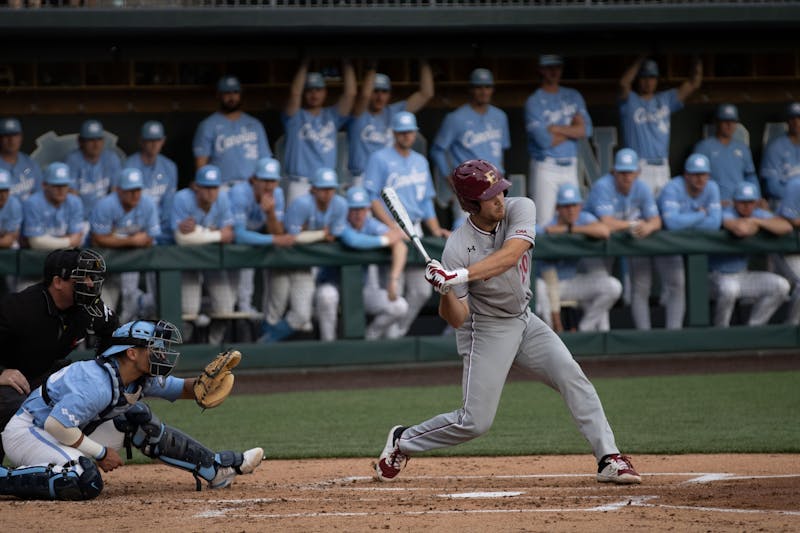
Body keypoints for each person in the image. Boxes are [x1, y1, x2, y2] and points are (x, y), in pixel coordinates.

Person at [374, 159, 641, 485]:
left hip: (524, 319)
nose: (499, 199)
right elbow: (457, 318)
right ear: (471, 204)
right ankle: (403, 440)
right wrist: (445, 291)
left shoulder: (520, 208)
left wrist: (459, 276)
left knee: (572, 376)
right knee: (475, 422)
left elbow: (512, 254)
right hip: (486, 329)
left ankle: (608, 458)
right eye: (490, 196)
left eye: (500, 190)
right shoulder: (456, 247)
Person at [0, 319, 263, 500]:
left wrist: (205, 383)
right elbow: (55, 425)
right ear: (131, 353)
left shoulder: (138, 377)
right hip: (30, 432)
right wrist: (101, 453)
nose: (161, 353)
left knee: (138, 418)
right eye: (153, 347)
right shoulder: (96, 382)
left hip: (68, 429)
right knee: (82, 479)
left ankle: (216, 470)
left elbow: (183, 388)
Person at [0, 247, 118, 463]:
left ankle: (63, 459)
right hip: (12, 381)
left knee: (113, 403)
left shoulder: (89, 309)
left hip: (46, 376)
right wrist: (1, 373)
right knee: (14, 403)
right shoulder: (19, 308)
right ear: (58, 282)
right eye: (82, 278)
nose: (90, 284)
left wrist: (103, 375)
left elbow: (112, 333)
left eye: (91, 277)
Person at [364, 111, 449, 338]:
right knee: (395, 291)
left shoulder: (420, 161)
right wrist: (391, 225)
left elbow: (426, 201)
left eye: (409, 132)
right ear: (394, 133)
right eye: (402, 132)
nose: (406, 136)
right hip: (390, 228)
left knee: (422, 290)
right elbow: (371, 197)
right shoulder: (379, 158)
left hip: (416, 226)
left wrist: (435, 229)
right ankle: (375, 337)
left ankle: (397, 334)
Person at [260, 167, 348, 343]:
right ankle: (262, 349)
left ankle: (263, 343)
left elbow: (334, 237)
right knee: (274, 312)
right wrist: (320, 234)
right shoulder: (302, 204)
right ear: (313, 189)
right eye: (322, 188)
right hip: (282, 261)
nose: (327, 193)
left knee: (302, 316)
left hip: (303, 265)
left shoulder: (340, 204)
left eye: (330, 189)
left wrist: (308, 234)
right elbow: (290, 239)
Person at [316, 185, 408, 341]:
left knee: (399, 306)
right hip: (331, 285)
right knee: (327, 296)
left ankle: (370, 338)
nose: (358, 214)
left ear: (367, 209)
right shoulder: (338, 221)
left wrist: (393, 279)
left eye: (362, 209)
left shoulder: (370, 224)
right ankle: (328, 344)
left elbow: (401, 246)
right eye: (354, 209)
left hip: (360, 289)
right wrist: (385, 240)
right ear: (346, 210)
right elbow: (352, 241)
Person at [584, 148, 662, 330]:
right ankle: (597, 333)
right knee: (602, 287)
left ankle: (644, 333)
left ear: (637, 172)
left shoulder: (642, 187)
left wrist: (649, 226)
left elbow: (656, 220)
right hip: (595, 243)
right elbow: (607, 222)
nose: (626, 176)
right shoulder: (603, 186)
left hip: (625, 240)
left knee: (641, 286)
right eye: (622, 172)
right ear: (614, 172)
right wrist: (634, 225)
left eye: (630, 172)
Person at [431, 68, 511, 228]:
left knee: (498, 231)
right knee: (467, 230)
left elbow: (502, 151)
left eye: (487, 87)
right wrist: (451, 179)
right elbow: (437, 150)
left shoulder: (500, 116)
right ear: (470, 89)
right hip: (471, 185)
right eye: (478, 87)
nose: (484, 91)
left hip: (495, 184)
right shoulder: (455, 118)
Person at [537, 183, 621, 332]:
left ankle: (585, 329)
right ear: (557, 208)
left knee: (613, 286)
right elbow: (549, 276)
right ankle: (551, 335)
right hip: (549, 285)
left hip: (573, 282)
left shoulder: (583, 218)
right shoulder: (548, 227)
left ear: (580, 206)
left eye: (574, 205)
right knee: (539, 288)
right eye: (566, 206)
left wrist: (569, 229)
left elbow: (604, 231)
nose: (571, 210)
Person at [709, 182, 792, 327]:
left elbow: (786, 226)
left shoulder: (757, 214)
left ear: (756, 203)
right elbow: (741, 230)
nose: (746, 206)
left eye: (750, 202)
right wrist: (759, 224)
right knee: (730, 289)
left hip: (742, 275)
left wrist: (755, 221)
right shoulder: (726, 212)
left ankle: (754, 327)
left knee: (781, 285)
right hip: (716, 276)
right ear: (734, 202)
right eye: (742, 202)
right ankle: (720, 330)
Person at [618, 56, 702, 197]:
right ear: (638, 79)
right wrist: (640, 59)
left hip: (662, 166)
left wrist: (696, 57)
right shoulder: (630, 101)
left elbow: (694, 83)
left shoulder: (665, 99)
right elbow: (623, 83)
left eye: (652, 77)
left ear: (657, 80)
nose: (648, 82)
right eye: (644, 77)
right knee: (640, 208)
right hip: (639, 166)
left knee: (665, 206)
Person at [657, 153, 722, 329]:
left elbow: (715, 224)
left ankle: (675, 332)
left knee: (681, 286)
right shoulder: (672, 187)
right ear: (686, 175)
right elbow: (671, 224)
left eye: (703, 174)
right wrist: (700, 214)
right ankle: (665, 333)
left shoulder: (712, 187)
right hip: (665, 243)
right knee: (668, 285)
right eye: (695, 174)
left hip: (693, 245)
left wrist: (685, 220)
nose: (700, 179)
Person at [525, 54, 593, 225]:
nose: (554, 72)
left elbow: (586, 130)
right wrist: (572, 129)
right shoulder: (534, 101)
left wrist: (555, 129)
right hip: (546, 166)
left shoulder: (573, 96)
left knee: (573, 219)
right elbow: (543, 141)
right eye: (549, 68)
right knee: (544, 221)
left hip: (570, 165)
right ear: (541, 70)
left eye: (557, 67)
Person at [172, 165, 235, 345]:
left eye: (214, 187)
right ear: (195, 187)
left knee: (226, 307)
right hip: (185, 261)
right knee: (189, 310)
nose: (211, 192)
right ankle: (185, 346)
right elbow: (181, 238)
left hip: (212, 261)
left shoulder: (222, 198)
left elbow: (229, 234)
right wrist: (215, 234)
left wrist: (198, 232)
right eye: (206, 187)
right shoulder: (182, 198)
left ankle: (212, 344)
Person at [89, 167, 160, 323]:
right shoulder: (106, 205)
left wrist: (115, 237)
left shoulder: (148, 204)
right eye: (130, 190)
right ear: (119, 190)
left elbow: (150, 238)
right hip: (108, 265)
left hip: (138, 261)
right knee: (104, 314)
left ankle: (140, 308)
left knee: (150, 301)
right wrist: (131, 240)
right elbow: (98, 239)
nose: (135, 195)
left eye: (137, 190)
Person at [347, 60, 434, 186]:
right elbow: (364, 95)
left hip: (390, 177)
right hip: (362, 178)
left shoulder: (394, 113)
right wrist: (371, 66)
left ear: (389, 94)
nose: (380, 96)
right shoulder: (358, 114)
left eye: (384, 91)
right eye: (376, 91)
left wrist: (423, 60)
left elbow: (426, 94)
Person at [283, 59, 356, 203]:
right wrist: (305, 62)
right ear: (304, 92)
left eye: (318, 89)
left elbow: (350, 94)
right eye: (309, 89)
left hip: (326, 185)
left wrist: (346, 61)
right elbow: (295, 93)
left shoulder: (332, 115)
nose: (314, 94)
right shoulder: (294, 116)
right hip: (300, 184)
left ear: (325, 92)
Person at [229, 156, 295, 316]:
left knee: (272, 255)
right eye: (265, 180)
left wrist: (270, 213)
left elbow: (277, 232)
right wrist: (273, 240)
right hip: (227, 244)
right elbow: (238, 235)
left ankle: (267, 318)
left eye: (273, 181)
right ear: (254, 180)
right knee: (226, 301)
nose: (269, 186)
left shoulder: (277, 193)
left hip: (256, 238)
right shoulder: (239, 193)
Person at [193, 76, 271, 189]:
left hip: (250, 186)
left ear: (240, 94)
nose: (232, 97)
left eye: (235, 92)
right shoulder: (207, 126)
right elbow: (201, 164)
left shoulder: (255, 125)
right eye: (227, 93)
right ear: (218, 95)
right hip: (220, 187)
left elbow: (265, 161)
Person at [694, 104, 760, 206]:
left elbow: (750, 176)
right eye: (725, 121)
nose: (729, 125)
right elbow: (695, 180)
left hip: (741, 203)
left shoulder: (743, 148)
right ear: (716, 122)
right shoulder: (703, 147)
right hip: (715, 203)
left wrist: (757, 198)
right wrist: (709, 201)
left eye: (733, 121)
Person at [125, 120, 178, 245]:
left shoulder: (170, 167)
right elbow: (126, 204)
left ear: (163, 141)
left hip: (162, 227)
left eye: (157, 140)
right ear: (141, 141)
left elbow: (168, 205)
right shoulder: (129, 165)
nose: (154, 144)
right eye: (150, 140)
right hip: (136, 227)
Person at [22, 162, 85, 251]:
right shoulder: (33, 203)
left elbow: (77, 239)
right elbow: (35, 242)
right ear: (44, 185)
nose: (61, 190)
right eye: (56, 185)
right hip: (38, 255)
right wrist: (68, 242)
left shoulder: (75, 202)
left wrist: (48, 241)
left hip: (64, 254)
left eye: (64, 185)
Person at [65, 119, 122, 214]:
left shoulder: (111, 158)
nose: (96, 144)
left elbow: (116, 192)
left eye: (99, 139)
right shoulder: (73, 160)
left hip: (105, 214)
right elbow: (72, 195)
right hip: (81, 215)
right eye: (91, 140)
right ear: (80, 141)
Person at [761, 102, 800, 203]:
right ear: (787, 121)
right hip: (782, 202)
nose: (796, 122)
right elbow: (772, 187)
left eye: (799, 118)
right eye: (792, 118)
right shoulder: (775, 147)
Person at [0, 117, 42, 200]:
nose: (11, 140)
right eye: (6, 135)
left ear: (21, 137)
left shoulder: (29, 163)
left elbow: (40, 193)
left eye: (15, 135)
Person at [0, 169, 23, 249]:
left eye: (5, 190)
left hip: (5, 245)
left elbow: (10, 239)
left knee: (14, 246)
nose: (2, 195)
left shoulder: (14, 204)